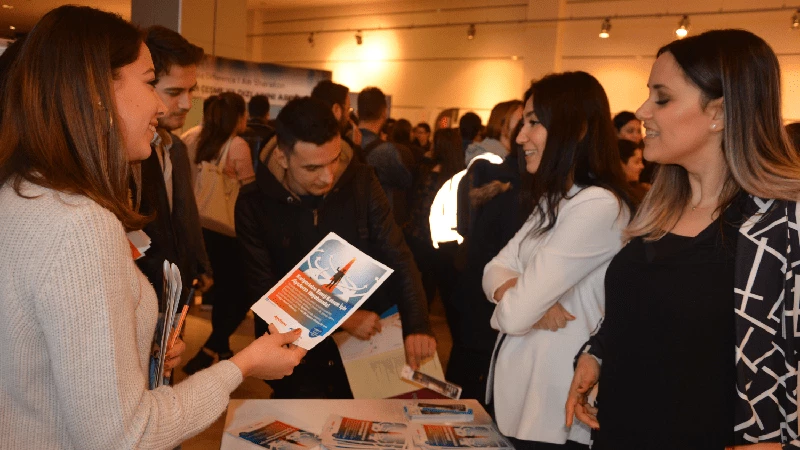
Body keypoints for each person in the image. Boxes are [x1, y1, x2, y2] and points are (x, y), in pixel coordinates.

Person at [0, 6, 304, 449]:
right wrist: (242, 366)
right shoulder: (80, 225)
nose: (162, 106)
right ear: (98, 92)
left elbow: (38, 358)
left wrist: (137, 346)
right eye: (148, 82)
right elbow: (126, 436)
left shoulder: (22, 192)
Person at [565, 29, 800, 449]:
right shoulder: (658, 209)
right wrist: (594, 354)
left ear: (721, 114)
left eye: (662, 97)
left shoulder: (782, 224)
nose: (642, 111)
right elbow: (641, 306)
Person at [236, 96, 436, 399]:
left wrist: (418, 323)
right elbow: (263, 290)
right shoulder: (253, 203)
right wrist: (345, 320)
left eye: (334, 160)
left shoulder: (362, 181)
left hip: (365, 349)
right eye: (313, 167)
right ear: (282, 157)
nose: (328, 176)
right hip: (296, 357)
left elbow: (398, 253)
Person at [482, 72, 633, 449]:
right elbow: (492, 268)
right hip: (525, 399)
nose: (520, 137)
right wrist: (524, 295)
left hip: (557, 409)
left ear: (577, 128)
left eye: (534, 122)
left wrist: (521, 306)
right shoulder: (557, 199)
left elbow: (515, 317)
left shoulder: (597, 206)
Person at [135, 24, 213, 311]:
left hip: (177, 288)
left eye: (190, 90)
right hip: (143, 296)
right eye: (174, 92)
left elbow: (185, 213)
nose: (187, 103)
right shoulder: (126, 154)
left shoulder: (176, 147)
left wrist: (199, 263)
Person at [183, 92, 256, 374]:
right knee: (239, 292)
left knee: (221, 290)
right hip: (227, 230)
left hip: (199, 226)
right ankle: (211, 348)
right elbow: (248, 192)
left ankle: (220, 348)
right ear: (237, 117)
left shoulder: (191, 137)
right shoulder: (237, 145)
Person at [358, 87, 412, 210]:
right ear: (384, 113)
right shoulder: (385, 150)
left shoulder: (343, 142)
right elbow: (405, 181)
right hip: (376, 217)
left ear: (358, 112)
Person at [463, 100, 523, 164]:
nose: (525, 128)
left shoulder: (511, 157)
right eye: (520, 122)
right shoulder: (486, 159)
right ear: (503, 126)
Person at [239, 94, 275, 170]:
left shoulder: (238, 133)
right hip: (263, 180)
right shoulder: (272, 136)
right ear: (267, 114)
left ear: (248, 113)